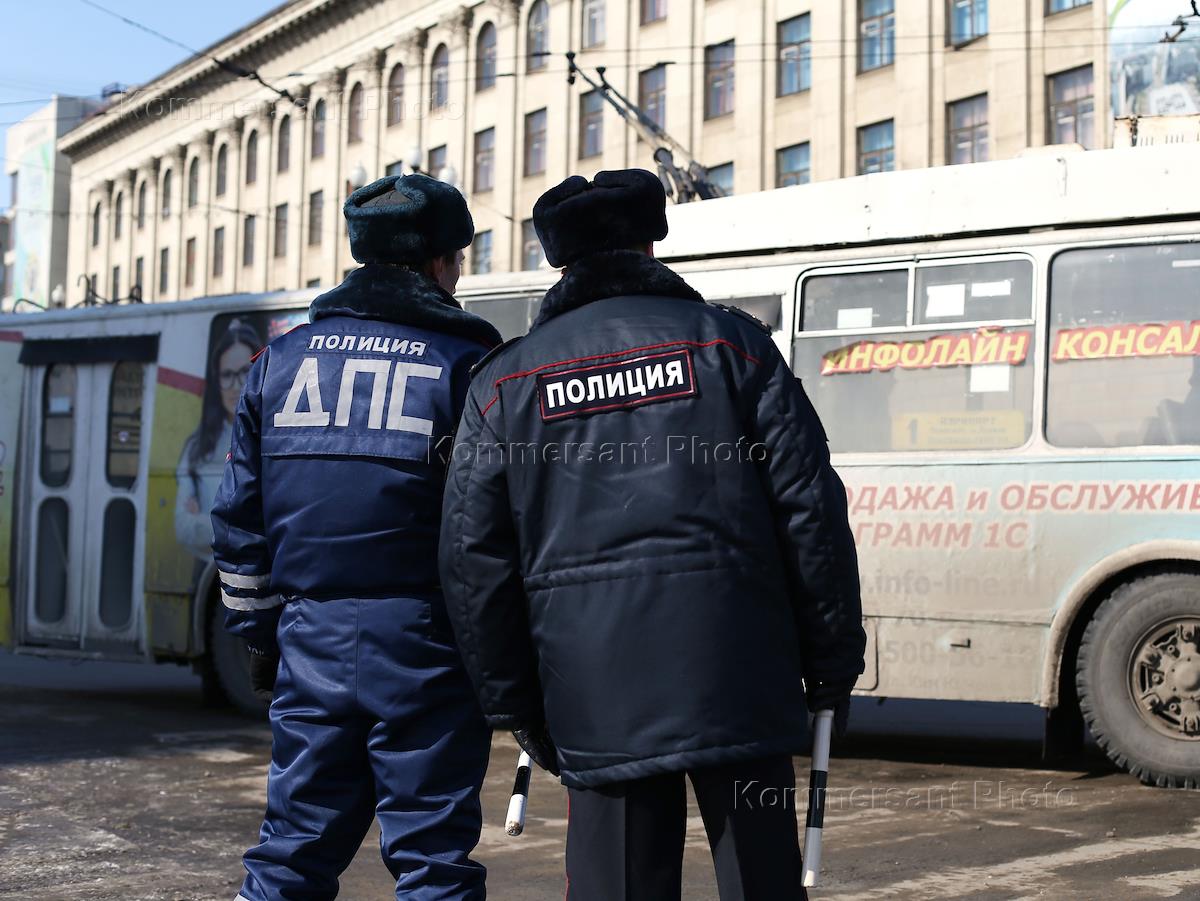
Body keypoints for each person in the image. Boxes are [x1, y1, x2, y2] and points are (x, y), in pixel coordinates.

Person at [440, 169, 866, 900]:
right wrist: (831, 658)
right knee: (762, 878)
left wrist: (513, 703)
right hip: (740, 673)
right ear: (649, 245)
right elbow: (810, 512)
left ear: (559, 261)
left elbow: (474, 559)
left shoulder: (506, 381)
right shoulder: (734, 346)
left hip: (592, 688)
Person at [211, 173, 502, 901]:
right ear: (439, 261)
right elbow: (495, 521)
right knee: (433, 857)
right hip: (428, 646)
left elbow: (240, 520)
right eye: (458, 259)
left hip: (309, 638)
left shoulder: (279, 363)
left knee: (291, 850)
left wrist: (262, 636)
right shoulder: (466, 364)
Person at [176, 318, 263, 563]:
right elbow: (182, 527)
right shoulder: (197, 447)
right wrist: (247, 530)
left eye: (245, 372)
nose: (236, 385)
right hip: (208, 571)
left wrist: (205, 521)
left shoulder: (275, 438)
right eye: (227, 375)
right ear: (217, 382)